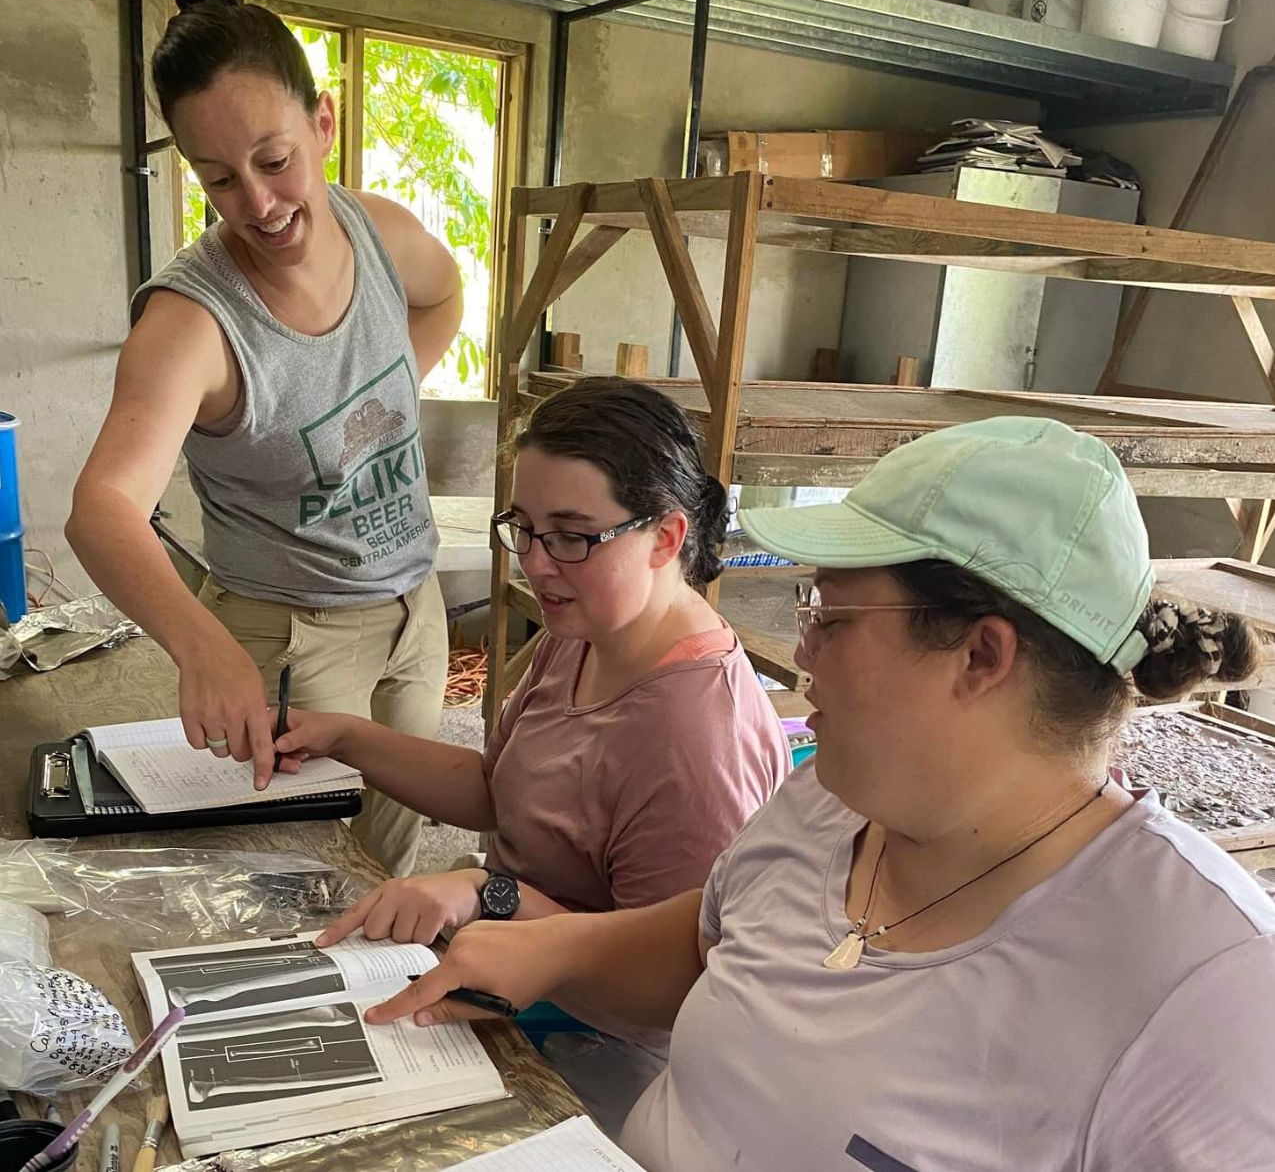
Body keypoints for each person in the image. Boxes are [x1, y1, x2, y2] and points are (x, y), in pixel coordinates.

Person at [362, 416, 1275, 1171]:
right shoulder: (833, 804)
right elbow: (712, 942)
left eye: (829, 618)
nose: (800, 652)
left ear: (980, 655)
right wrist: (547, 946)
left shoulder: (1203, 992)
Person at [275, 376, 792, 1133]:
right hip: (514, 965)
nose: (538, 563)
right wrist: (345, 736)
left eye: (573, 535)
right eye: (523, 526)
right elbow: (498, 792)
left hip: (614, 1048)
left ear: (666, 537)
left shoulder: (692, 733)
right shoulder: (580, 631)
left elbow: (682, 982)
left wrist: (492, 894)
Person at [65, 0, 463, 877]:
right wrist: (200, 644)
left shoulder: (381, 229)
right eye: (217, 179)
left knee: (396, 856)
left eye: (275, 160)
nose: (258, 202)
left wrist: (388, 385)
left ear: (322, 122)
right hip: (289, 634)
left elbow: (444, 294)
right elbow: (102, 507)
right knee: (301, 879)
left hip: (414, 604)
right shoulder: (193, 322)